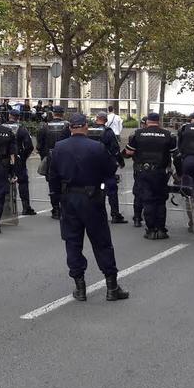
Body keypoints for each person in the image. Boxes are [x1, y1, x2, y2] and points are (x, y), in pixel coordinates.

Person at [50, 113, 130, 302]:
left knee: (72, 242)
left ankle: (80, 287)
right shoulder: (97, 147)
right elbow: (110, 169)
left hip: (69, 198)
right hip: (92, 198)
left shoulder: (59, 148)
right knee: (102, 242)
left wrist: (57, 200)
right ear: (85, 126)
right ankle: (111, 286)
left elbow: (53, 176)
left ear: (71, 127)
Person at [124, 112, 177, 239]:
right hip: (160, 173)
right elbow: (176, 155)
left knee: (148, 200)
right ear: (159, 121)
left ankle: (151, 230)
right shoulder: (168, 135)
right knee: (160, 201)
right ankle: (161, 230)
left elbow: (128, 152)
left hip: (143, 172)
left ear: (147, 121)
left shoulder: (138, 134)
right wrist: (178, 173)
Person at [88, 112, 127, 223]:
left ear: (97, 119)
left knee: (93, 190)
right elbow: (115, 150)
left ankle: (95, 214)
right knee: (111, 190)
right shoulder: (108, 132)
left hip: (90, 165)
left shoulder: (88, 131)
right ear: (105, 120)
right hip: (106, 166)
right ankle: (115, 215)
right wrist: (121, 161)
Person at [37, 105, 71, 219]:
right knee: (65, 183)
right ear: (63, 113)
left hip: (50, 157)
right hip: (65, 158)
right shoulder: (68, 126)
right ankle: (64, 207)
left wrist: (44, 157)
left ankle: (55, 209)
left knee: (52, 184)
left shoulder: (45, 127)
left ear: (53, 114)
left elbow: (39, 145)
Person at [7, 109, 37, 215]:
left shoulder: (3, 128)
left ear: (9, 115)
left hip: (4, 159)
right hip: (18, 158)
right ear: (18, 117)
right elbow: (29, 146)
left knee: (3, 182)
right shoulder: (22, 129)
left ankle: (5, 208)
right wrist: (23, 157)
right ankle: (26, 207)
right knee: (23, 182)